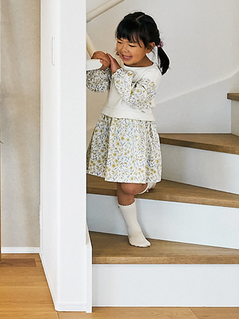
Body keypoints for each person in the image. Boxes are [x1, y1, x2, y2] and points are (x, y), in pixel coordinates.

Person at [87, 12, 170, 247]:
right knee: (123, 184)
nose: (123, 49)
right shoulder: (119, 64)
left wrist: (116, 70)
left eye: (131, 45)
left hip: (134, 132)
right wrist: (98, 64)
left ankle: (147, 181)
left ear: (149, 47)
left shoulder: (152, 73)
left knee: (130, 185)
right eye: (120, 41)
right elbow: (95, 86)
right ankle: (134, 229)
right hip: (113, 129)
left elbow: (134, 99)